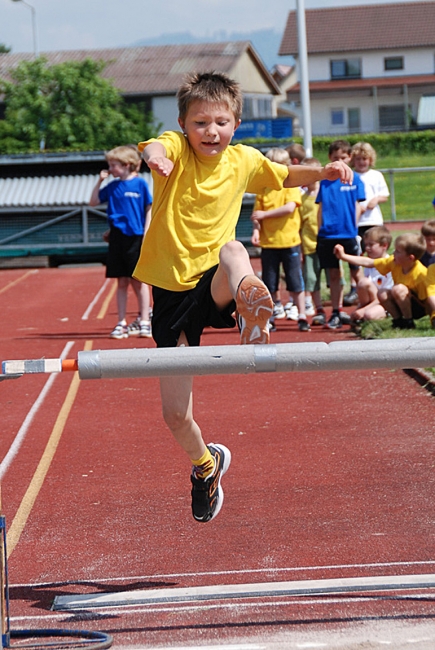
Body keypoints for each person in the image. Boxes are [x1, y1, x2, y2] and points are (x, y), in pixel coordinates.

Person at [133, 71, 353, 524]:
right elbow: (154, 146)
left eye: (220, 122)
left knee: (234, 249)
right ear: (183, 124)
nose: (210, 131)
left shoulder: (244, 160)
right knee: (175, 416)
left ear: (235, 124)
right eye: (199, 123)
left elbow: (287, 174)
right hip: (170, 295)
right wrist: (157, 161)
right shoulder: (174, 150)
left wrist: (326, 172)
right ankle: (205, 465)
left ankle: (250, 306)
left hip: (214, 280)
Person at [90, 146, 153, 339]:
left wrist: (147, 232)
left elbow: (148, 208)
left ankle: (144, 320)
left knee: (139, 280)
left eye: (113, 165)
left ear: (126, 165)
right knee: (122, 281)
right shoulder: (112, 186)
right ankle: (121, 322)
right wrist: (100, 181)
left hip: (136, 237)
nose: (110, 168)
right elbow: (93, 202)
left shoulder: (140, 184)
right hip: (117, 237)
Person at [250, 148, 309, 333]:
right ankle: (274, 313)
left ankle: (302, 315)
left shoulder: (290, 186)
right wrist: (256, 231)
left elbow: (290, 208)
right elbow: (256, 215)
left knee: (294, 280)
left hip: (289, 241)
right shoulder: (264, 188)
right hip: (269, 243)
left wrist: (266, 214)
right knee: (270, 281)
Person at [316, 140, 365, 330]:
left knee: (356, 272)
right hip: (328, 234)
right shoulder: (325, 182)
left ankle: (364, 306)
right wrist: (320, 230)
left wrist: (353, 226)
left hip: (348, 233)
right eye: (335, 158)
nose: (339, 161)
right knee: (333, 274)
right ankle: (336, 311)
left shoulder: (355, 179)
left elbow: (358, 205)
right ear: (329, 159)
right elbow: (320, 208)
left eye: (343, 158)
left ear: (349, 158)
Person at [334, 232, 428, 329]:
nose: (394, 253)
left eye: (398, 251)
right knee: (382, 292)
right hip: (402, 302)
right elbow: (369, 262)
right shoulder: (394, 262)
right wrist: (343, 256)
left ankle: (409, 322)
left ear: (410, 258)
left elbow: (428, 299)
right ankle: (398, 321)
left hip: (419, 308)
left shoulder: (421, 274)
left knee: (398, 288)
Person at [299, 157, 325, 325]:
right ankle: (319, 309)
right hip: (309, 244)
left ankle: (337, 309)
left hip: (327, 241)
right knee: (312, 279)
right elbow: (299, 224)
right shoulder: (301, 199)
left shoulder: (325, 193)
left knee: (334, 277)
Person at [349, 226, 393, 325]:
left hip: (385, 303)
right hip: (373, 301)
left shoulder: (390, 266)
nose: (367, 248)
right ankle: (362, 316)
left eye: (371, 245)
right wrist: (360, 308)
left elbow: (385, 297)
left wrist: (363, 310)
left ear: (384, 246)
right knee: (363, 282)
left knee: (369, 315)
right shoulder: (369, 266)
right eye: (366, 245)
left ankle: (386, 314)